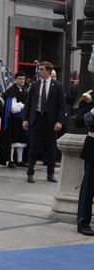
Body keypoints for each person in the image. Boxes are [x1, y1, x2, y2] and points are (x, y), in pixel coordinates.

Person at [22, 61, 66, 183]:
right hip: (36, 119)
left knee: (51, 148)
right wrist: (25, 119)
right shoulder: (35, 85)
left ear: (48, 71)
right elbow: (28, 103)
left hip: (50, 121)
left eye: (41, 69)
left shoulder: (57, 86)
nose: (39, 71)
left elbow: (62, 106)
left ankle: (50, 174)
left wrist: (59, 121)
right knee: (33, 148)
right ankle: (30, 173)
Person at [0, 71, 28, 168]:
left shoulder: (25, 91)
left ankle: (19, 160)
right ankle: (10, 160)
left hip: (22, 120)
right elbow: (13, 108)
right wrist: (23, 105)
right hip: (13, 121)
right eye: (19, 79)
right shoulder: (11, 91)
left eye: (23, 79)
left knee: (21, 141)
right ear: (15, 79)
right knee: (13, 141)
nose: (22, 81)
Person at [75, 89, 94, 236]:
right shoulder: (89, 97)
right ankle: (83, 222)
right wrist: (92, 114)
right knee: (88, 187)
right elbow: (79, 121)